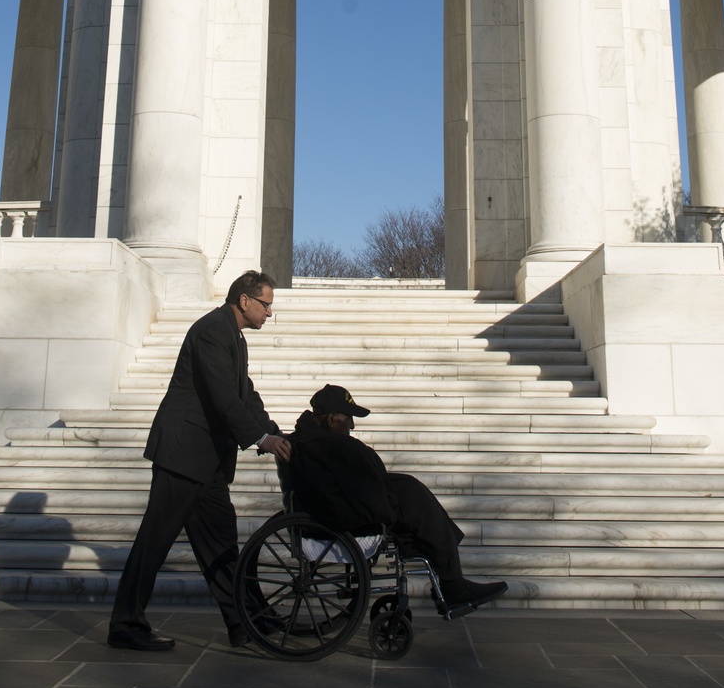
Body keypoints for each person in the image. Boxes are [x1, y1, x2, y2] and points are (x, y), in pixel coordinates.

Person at [108, 269, 291, 651]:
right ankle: (126, 624)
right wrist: (261, 439)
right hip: (183, 455)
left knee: (221, 544)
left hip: (206, 462)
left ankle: (245, 621)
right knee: (154, 542)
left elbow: (245, 395)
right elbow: (224, 397)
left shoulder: (233, 337)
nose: (269, 313)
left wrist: (274, 431)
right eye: (266, 304)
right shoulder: (212, 330)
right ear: (245, 300)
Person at [287, 384, 508, 611]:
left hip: (344, 507)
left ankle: (451, 579)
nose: (352, 425)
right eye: (349, 418)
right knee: (416, 505)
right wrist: (390, 510)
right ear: (333, 418)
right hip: (345, 515)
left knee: (416, 500)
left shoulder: (314, 440)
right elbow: (362, 490)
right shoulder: (329, 444)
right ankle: (453, 585)